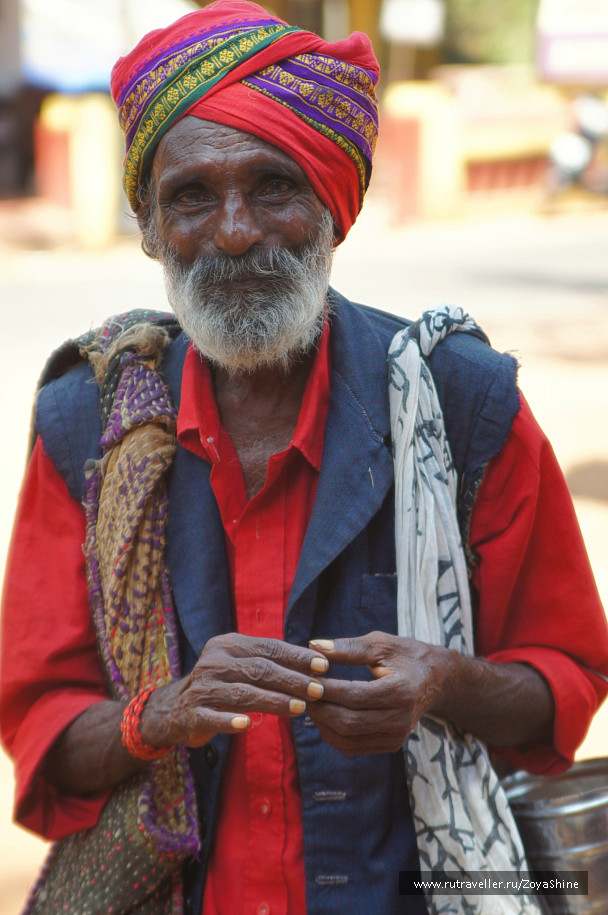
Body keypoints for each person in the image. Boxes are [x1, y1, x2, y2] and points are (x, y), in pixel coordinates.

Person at [2, 3, 607, 914]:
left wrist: (442, 681)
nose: (236, 231)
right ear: (152, 227)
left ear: (335, 204)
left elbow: (564, 678)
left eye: (273, 185)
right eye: (193, 196)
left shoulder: (463, 401)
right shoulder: (87, 424)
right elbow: (45, 725)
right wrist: (158, 714)